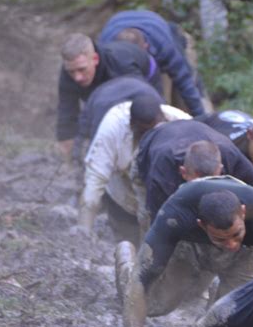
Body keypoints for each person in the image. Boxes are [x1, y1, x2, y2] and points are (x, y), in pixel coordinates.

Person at [117, 176, 253, 327]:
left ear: (244, 212)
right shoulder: (177, 214)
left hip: (247, 252)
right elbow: (144, 275)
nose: (231, 244)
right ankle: (125, 263)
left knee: (233, 316)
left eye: (236, 234)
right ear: (202, 225)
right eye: (222, 238)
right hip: (192, 245)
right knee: (158, 305)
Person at [79, 92, 191, 240]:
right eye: (147, 132)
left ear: (163, 118)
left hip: (165, 197)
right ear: (132, 124)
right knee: (127, 245)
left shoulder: (183, 122)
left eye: (156, 130)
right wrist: (83, 230)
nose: (152, 137)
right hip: (123, 194)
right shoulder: (113, 127)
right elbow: (96, 178)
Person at [132, 115, 253, 219]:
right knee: (151, 217)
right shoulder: (162, 170)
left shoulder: (229, 154)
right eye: (197, 186)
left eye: (211, 183)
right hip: (150, 148)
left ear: (221, 170)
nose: (203, 191)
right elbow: (157, 219)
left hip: (192, 132)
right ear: (183, 173)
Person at [56, 33, 161, 158]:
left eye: (82, 69)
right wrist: (67, 143)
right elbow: (67, 108)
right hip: (104, 86)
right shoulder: (69, 72)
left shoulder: (120, 63)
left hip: (145, 77)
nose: (77, 77)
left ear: (95, 59)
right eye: (71, 71)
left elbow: (146, 99)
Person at [97, 10, 207, 117]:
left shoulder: (165, 46)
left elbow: (185, 83)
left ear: (146, 46)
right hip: (118, 26)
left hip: (164, 38)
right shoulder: (107, 50)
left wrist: (202, 118)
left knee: (180, 99)